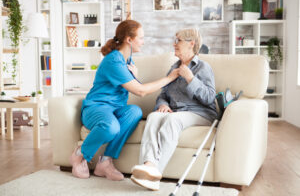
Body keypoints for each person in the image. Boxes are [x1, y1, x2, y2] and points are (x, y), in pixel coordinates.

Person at [70, 20, 179, 181]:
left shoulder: (127, 59)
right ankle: (80, 154)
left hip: (115, 109)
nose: (143, 41)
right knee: (111, 127)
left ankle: (105, 162)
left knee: (135, 111)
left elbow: (135, 86)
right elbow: (141, 91)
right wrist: (169, 78)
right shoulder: (113, 61)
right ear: (129, 39)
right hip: (96, 108)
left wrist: (135, 76)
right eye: (141, 38)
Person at [130, 28, 217, 190]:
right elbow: (164, 94)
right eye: (175, 40)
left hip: (201, 113)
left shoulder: (203, 67)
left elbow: (209, 98)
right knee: (154, 117)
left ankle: (155, 174)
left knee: (172, 119)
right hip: (177, 112)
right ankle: (148, 164)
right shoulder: (173, 68)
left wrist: (190, 78)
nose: (174, 44)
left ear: (191, 44)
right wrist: (163, 104)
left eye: (178, 40)